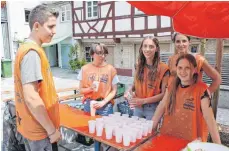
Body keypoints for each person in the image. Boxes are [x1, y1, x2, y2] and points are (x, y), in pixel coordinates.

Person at [14, 4, 61, 151]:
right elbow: (32, 97)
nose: (54, 31)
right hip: (40, 132)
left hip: (32, 127)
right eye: (50, 27)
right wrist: (51, 130)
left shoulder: (26, 49)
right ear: (36, 26)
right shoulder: (32, 53)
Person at [152, 54, 221, 144]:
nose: (183, 71)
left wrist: (218, 146)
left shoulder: (202, 90)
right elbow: (161, 107)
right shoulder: (172, 86)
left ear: (195, 70)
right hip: (168, 138)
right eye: (180, 68)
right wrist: (151, 129)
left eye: (187, 68)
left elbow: (210, 120)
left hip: (191, 144)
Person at [77, 43, 119, 151]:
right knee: (92, 132)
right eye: (99, 53)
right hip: (89, 104)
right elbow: (80, 90)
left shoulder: (111, 69)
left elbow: (114, 90)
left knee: (106, 133)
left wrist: (103, 102)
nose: (102, 56)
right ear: (92, 54)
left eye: (104, 53)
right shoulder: (84, 69)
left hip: (105, 106)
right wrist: (90, 89)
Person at [124, 36, 169, 120]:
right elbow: (134, 85)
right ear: (141, 48)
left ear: (156, 49)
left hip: (153, 109)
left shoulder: (164, 68)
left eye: (151, 46)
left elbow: (163, 95)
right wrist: (128, 91)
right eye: (145, 46)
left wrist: (143, 101)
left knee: (150, 132)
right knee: (137, 132)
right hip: (137, 107)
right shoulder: (138, 65)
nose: (147, 49)